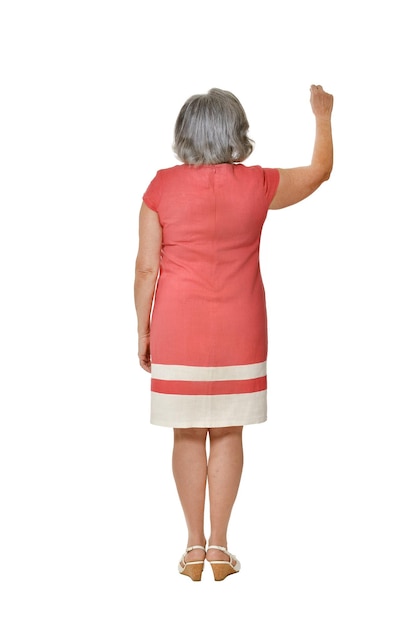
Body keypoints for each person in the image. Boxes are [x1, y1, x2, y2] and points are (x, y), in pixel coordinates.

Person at [134, 85, 333, 581]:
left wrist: (143, 328)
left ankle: (192, 548)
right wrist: (323, 116)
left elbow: (145, 269)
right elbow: (318, 173)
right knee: (226, 429)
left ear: (185, 133)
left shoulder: (160, 187)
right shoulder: (258, 185)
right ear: (236, 131)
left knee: (186, 431)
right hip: (241, 326)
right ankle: (220, 548)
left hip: (178, 326)